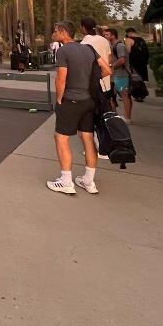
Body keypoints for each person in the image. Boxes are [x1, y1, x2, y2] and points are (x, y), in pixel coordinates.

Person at [47, 20, 112, 195]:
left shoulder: (63, 50)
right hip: (89, 101)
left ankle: (66, 181)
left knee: (61, 138)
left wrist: (59, 98)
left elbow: (61, 78)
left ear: (62, 32)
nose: (53, 33)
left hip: (71, 100)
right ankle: (89, 181)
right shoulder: (88, 49)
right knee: (88, 139)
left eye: (55, 30)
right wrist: (90, 82)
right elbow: (107, 70)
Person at [103, 27, 132, 123]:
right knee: (113, 96)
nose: (104, 36)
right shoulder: (112, 45)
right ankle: (114, 116)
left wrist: (111, 67)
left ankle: (127, 118)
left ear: (113, 35)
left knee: (125, 95)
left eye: (107, 35)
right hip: (116, 75)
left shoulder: (119, 46)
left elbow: (122, 60)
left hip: (121, 75)